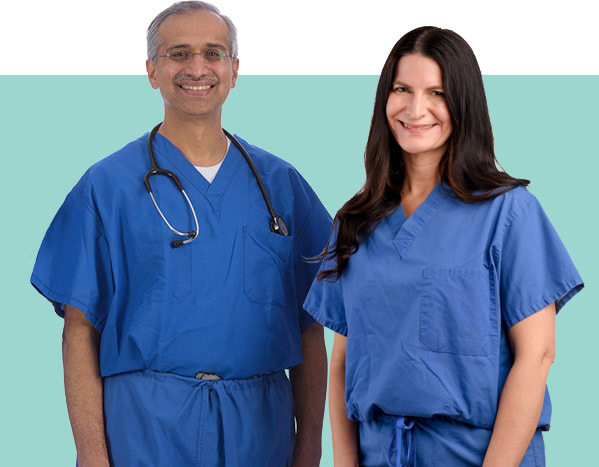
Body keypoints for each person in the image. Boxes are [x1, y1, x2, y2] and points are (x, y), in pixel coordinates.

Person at [30, 2, 331, 465]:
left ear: (234, 70)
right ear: (152, 71)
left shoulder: (280, 186)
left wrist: (309, 444)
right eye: (178, 53)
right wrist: (91, 453)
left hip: (261, 432)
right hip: (144, 429)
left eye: (213, 53)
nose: (197, 67)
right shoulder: (107, 185)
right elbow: (78, 331)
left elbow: (310, 327)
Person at [304, 26, 583, 467]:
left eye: (438, 92)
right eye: (403, 89)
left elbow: (537, 355)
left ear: (464, 103)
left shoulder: (509, 214)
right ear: (385, 99)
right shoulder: (355, 223)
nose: (417, 109)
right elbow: (342, 363)